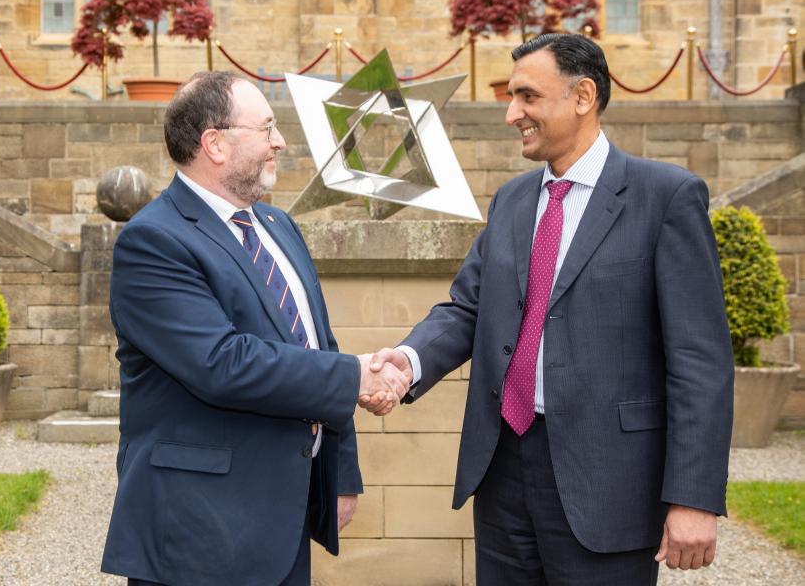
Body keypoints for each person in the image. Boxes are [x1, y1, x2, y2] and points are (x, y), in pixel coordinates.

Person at [364, 34, 734, 585]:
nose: (513, 113)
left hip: (609, 482)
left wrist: (694, 499)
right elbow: (468, 308)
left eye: (527, 97)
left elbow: (699, 359)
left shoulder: (666, 197)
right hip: (503, 468)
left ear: (582, 96)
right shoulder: (512, 200)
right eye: (512, 97)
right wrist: (409, 361)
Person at [101, 71, 408, 586]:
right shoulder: (153, 241)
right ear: (215, 143)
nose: (280, 141)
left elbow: (316, 347)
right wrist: (359, 377)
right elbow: (223, 363)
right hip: (199, 528)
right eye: (266, 127)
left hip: (285, 517)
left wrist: (340, 474)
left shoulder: (277, 226)